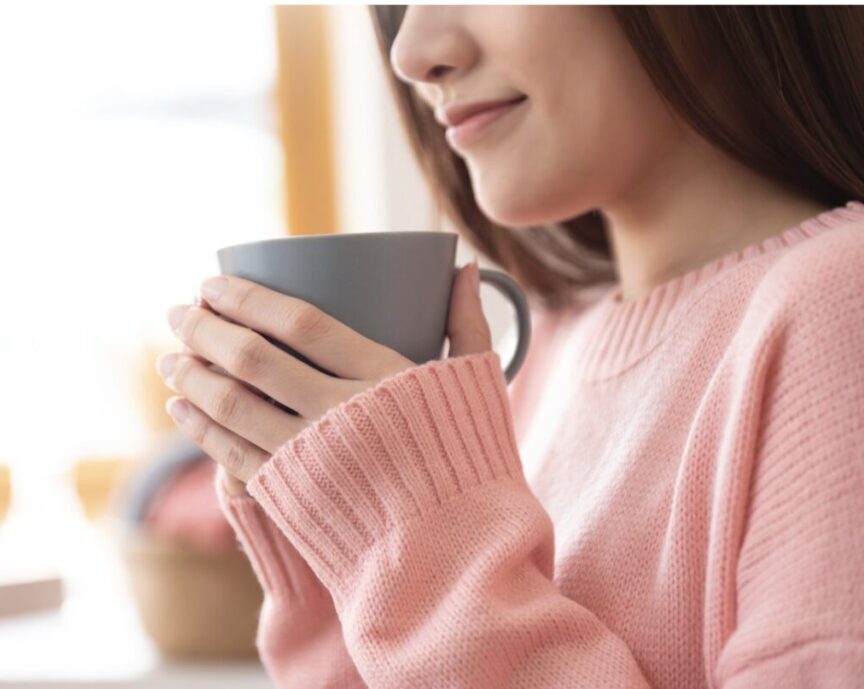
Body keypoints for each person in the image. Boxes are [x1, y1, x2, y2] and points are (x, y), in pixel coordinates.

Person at [156, 5, 864, 687]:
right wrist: (333, 533)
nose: (411, 53)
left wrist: (420, 543)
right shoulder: (546, 347)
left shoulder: (838, 305)